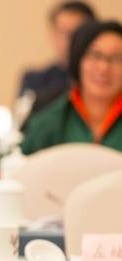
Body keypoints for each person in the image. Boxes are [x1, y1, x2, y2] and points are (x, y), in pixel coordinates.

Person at [22, 20, 122, 155]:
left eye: (117, 58)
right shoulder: (50, 118)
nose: (104, 68)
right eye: (95, 55)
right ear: (78, 60)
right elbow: (12, 160)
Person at [18, 1, 96, 114]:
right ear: (53, 34)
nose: (70, 40)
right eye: (63, 32)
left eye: (77, 33)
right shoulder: (34, 80)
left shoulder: (102, 79)